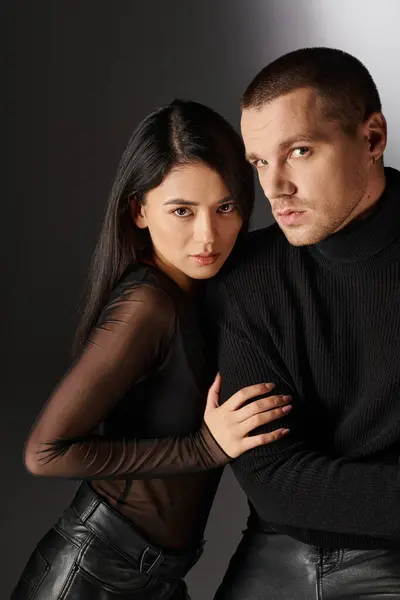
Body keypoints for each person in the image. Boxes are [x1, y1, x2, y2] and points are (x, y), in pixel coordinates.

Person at [11, 99, 292, 600]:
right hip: (91, 578)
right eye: (181, 211)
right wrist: (205, 448)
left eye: (225, 207)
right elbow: (43, 454)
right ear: (139, 210)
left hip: (156, 576)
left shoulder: (204, 288)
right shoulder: (147, 305)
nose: (208, 236)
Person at [207, 47, 400, 599]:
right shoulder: (250, 273)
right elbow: (272, 478)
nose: (274, 187)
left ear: (371, 138)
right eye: (259, 162)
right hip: (279, 552)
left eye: (299, 151)